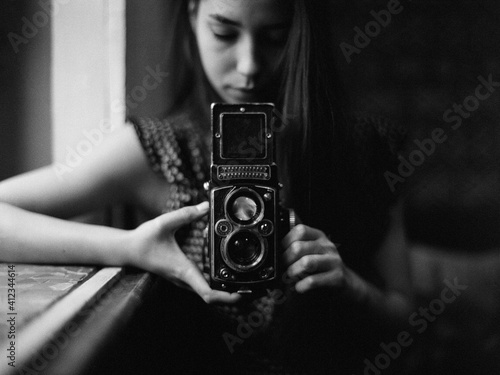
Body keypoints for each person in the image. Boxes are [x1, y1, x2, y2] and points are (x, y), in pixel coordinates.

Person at [0, 0, 413, 373]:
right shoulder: (163, 149)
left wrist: (349, 285)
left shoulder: (366, 149)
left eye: (276, 37)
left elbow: (405, 317)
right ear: (193, 15)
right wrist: (131, 247)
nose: (249, 65)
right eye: (224, 33)